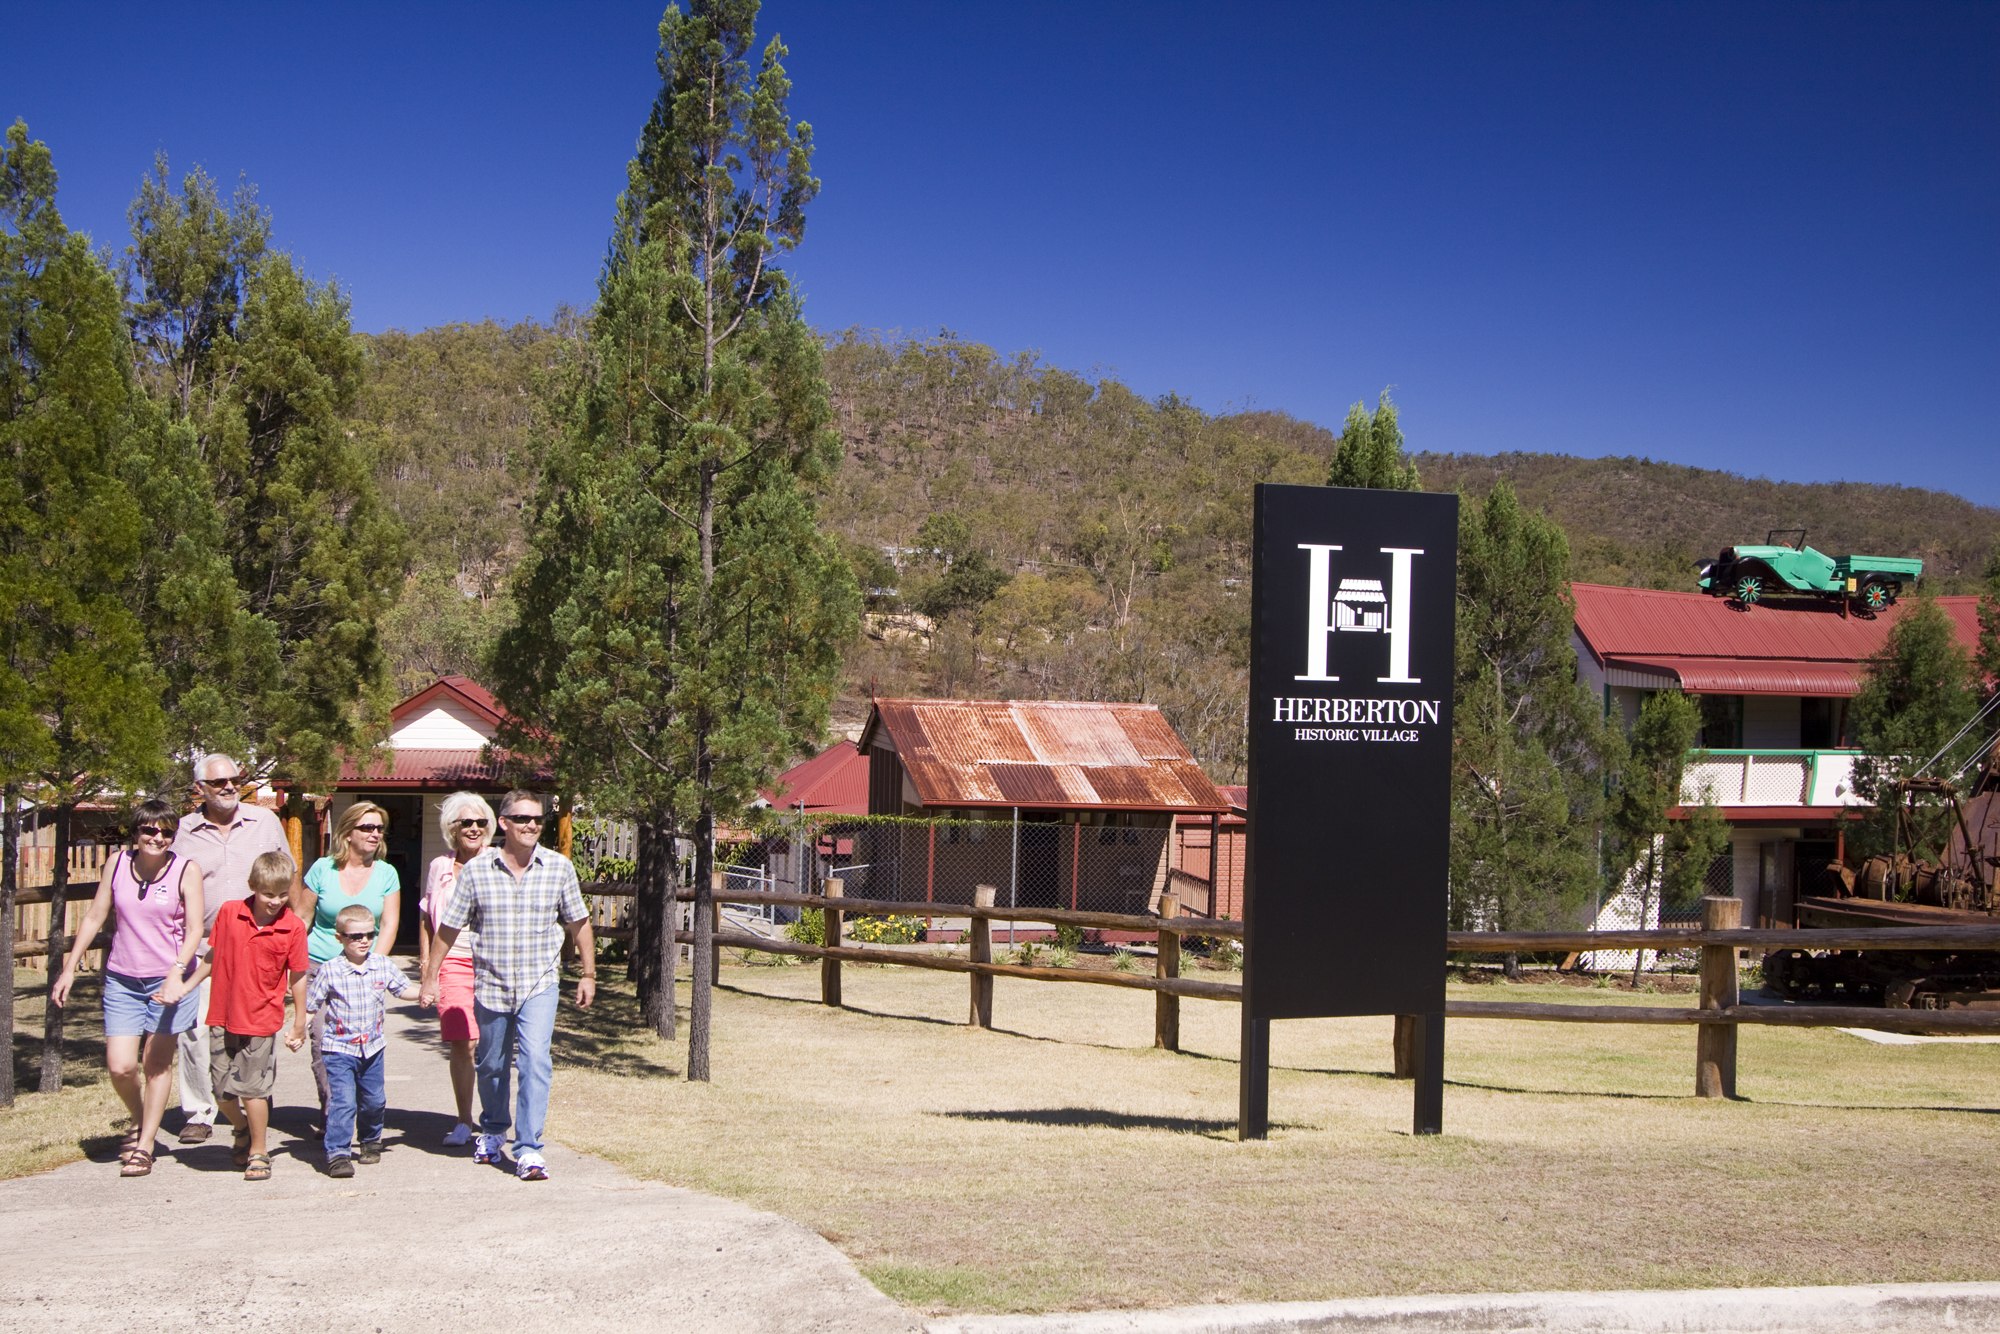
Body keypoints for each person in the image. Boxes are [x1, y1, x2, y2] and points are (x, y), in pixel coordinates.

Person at [419, 790, 594, 1181]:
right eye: (522, 819)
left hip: (539, 983)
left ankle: (529, 1148)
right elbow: (447, 927)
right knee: (491, 1064)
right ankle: (495, 1129)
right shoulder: (479, 871)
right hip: (492, 983)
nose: (532, 825)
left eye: (537, 819)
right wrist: (431, 974)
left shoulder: (558, 868)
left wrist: (588, 973)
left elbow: (579, 923)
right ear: (504, 824)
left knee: (535, 1062)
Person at [50, 798, 206, 1177]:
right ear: (136, 832)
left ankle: (145, 1144)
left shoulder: (186, 870)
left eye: (167, 832)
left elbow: (196, 929)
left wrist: (176, 971)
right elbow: (94, 916)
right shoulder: (117, 864)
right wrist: (69, 968)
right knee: (120, 1067)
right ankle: (141, 1119)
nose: (158, 837)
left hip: (170, 979)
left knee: (155, 1064)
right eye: (150, 830)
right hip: (123, 977)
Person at [168, 753, 291, 1145]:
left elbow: (287, 875)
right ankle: (200, 1111)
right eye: (218, 782)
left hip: (258, 942)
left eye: (233, 780)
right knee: (195, 1030)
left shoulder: (265, 822)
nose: (228, 787)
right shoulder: (182, 831)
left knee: (252, 1028)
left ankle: (252, 1094)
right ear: (199, 789)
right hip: (201, 943)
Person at [180, 850, 308, 1181]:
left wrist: (298, 1021)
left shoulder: (292, 927)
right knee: (221, 1091)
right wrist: (187, 986)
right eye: (268, 894)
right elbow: (213, 955)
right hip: (222, 1014)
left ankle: (259, 1151)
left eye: (282, 894)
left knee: (253, 1089)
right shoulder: (229, 913)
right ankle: (241, 1129)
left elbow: (298, 976)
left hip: (262, 1019)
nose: (276, 901)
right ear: (252, 886)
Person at [295, 800, 401, 1118]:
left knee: (363, 1045)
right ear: (348, 833)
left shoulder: (386, 873)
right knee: (322, 1044)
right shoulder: (322, 869)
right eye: (367, 827)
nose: (374, 834)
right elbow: (301, 918)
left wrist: (373, 966)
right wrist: (292, 967)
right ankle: (336, 1113)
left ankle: (353, 1107)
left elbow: (390, 923)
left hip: (363, 972)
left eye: (379, 828)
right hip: (321, 968)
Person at [307, 905, 420, 1178]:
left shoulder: (381, 964)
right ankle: (338, 1153)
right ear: (340, 938)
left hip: (372, 1048)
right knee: (343, 1102)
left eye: (369, 934)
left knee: (374, 1100)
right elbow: (312, 1005)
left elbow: (402, 989)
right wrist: (298, 1029)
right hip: (339, 1049)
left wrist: (426, 993)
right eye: (355, 936)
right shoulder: (330, 970)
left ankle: (370, 1140)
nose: (363, 941)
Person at [418, 791, 494, 1146]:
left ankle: (493, 1121)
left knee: (492, 1043)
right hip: (452, 960)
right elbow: (426, 917)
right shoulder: (439, 867)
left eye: (481, 822)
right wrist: (427, 968)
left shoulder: (499, 863)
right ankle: (464, 1120)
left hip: (493, 962)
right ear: (453, 828)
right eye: (467, 822)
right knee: (465, 1042)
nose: (475, 828)